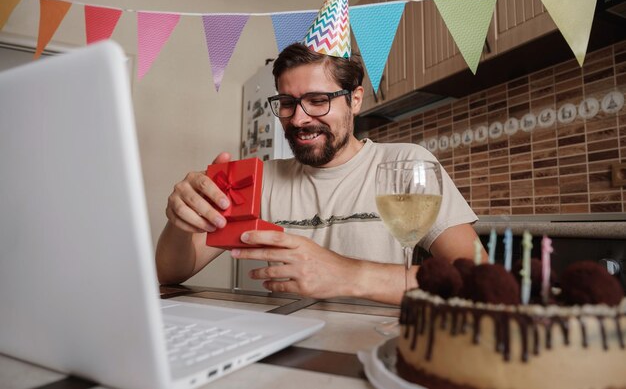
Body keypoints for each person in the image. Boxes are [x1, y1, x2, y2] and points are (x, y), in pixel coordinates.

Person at [156, 43, 482, 305]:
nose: (298, 119)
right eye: (287, 103)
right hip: (287, 350)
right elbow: (168, 273)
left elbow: (475, 278)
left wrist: (349, 274)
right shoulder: (258, 180)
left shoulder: (407, 165)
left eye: (317, 100)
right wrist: (181, 222)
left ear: (355, 100)